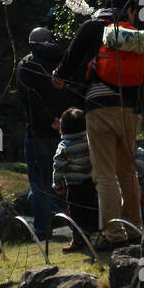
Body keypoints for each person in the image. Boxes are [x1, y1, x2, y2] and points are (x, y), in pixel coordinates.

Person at [52, 0, 144, 250]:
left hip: (100, 108)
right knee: (128, 172)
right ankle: (134, 230)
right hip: (131, 111)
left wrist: (58, 76)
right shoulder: (139, 38)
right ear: (130, 11)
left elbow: (69, 60)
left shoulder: (93, 27)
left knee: (105, 174)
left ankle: (114, 234)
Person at [15, 26, 68, 240]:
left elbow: (29, 98)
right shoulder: (65, 61)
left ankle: (42, 232)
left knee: (39, 182)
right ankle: (67, 226)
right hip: (66, 130)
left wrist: (49, 119)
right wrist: (63, 119)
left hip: (39, 130)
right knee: (64, 179)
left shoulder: (27, 64)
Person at [52, 108, 96, 252]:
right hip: (91, 183)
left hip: (74, 186)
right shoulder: (90, 141)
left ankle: (78, 240)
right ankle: (90, 237)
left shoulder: (64, 146)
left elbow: (58, 167)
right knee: (90, 211)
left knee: (75, 214)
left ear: (63, 127)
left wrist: (57, 185)